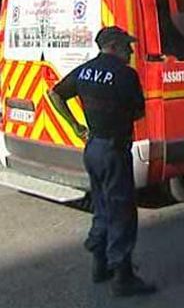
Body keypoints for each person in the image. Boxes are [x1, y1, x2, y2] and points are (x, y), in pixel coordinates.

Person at [48, 27, 157, 297]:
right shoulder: (125, 75)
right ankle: (123, 276)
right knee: (121, 210)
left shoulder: (85, 70)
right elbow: (139, 112)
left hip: (93, 148)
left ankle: (99, 263)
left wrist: (75, 126)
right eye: (127, 47)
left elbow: (55, 94)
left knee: (101, 205)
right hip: (114, 149)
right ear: (114, 46)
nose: (130, 52)